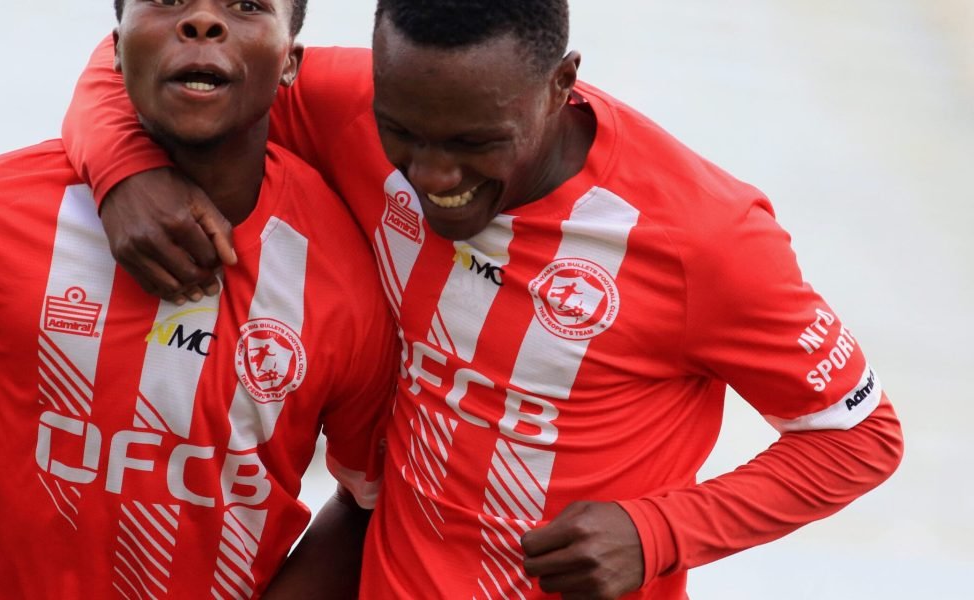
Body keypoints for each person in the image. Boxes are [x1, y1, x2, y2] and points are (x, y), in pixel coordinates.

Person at [62, 1, 905, 598]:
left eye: (475, 144)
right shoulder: (353, 102)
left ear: (561, 83)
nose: (431, 176)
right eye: (404, 135)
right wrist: (125, 172)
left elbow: (860, 438)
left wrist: (661, 532)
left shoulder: (706, 237)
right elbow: (127, 57)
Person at [0, 1, 399, 598]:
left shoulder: (351, 279)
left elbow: (360, 505)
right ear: (118, 44)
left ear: (291, 62)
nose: (204, 20)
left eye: (246, 5)